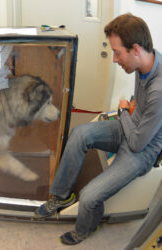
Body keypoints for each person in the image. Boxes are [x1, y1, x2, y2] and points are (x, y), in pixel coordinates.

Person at [35, 13, 162, 245]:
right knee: (80, 134)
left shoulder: (159, 88)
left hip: (143, 149)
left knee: (90, 197)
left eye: (117, 53)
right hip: (132, 126)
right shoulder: (147, 63)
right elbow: (138, 108)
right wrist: (130, 111)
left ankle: (84, 230)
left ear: (135, 49)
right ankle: (61, 196)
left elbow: (136, 143)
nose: (114, 59)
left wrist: (124, 111)